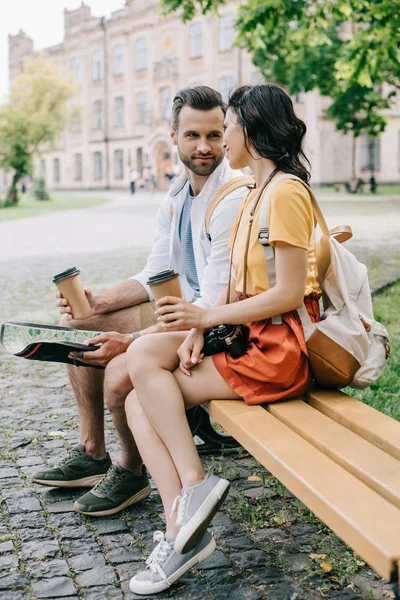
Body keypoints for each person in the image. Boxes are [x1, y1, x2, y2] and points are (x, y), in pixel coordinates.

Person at [123, 83, 321, 595]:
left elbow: (289, 292)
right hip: (247, 341)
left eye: (226, 126)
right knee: (139, 403)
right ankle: (181, 529)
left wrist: (208, 316)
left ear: (248, 131)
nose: (220, 138)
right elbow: (235, 282)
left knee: (143, 361)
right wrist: (199, 331)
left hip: (277, 351)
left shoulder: (285, 192)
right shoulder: (257, 192)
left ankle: (192, 490)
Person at [32, 86, 247, 517]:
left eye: (213, 134)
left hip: (210, 321)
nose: (204, 146)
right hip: (179, 311)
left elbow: (213, 301)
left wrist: (130, 342)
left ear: (225, 135)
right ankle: (93, 451)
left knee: (117, 372)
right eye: (192, 135)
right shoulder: (175, 195)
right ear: (173, 136)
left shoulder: (233, 194)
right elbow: (156, 273)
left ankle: (132, 471)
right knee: (81, 324)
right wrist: (98, 303)